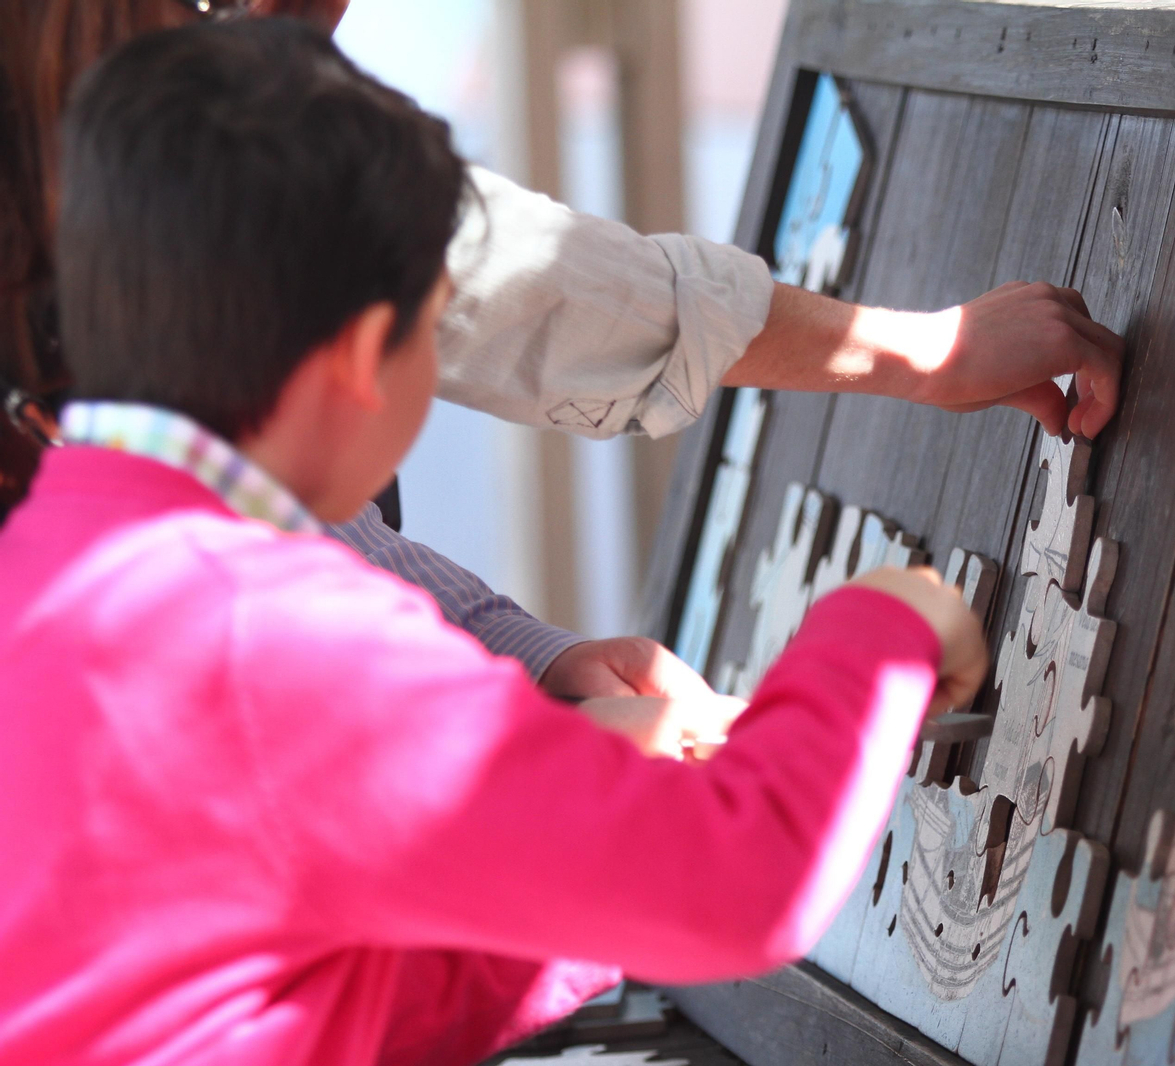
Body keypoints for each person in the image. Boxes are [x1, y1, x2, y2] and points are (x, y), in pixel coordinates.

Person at [0, 20, 990, 1065]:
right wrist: (887, 625)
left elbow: (296, 988)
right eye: (433, 326)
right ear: (356, 358)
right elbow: (753, 883)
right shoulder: (290, 637)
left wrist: (574, 860)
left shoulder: (45, 555)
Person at [0, 0, 1124, 725]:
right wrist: (885, 638)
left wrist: (522, 653)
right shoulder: (234, 643)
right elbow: (735, 871)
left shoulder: (125, 519)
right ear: (348, 350)